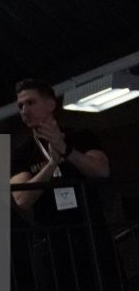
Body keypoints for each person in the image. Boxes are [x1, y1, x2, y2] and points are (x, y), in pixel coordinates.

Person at [9, 78, 112, 216]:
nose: (24, 111)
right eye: (20, 106)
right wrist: (52, 165)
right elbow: (22, 200)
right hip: (53, 233)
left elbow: (102, 171)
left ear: (50, 105)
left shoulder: (80, 136)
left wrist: (66, 150)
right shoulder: (21, 152)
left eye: (30, 103)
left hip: (92, 227)